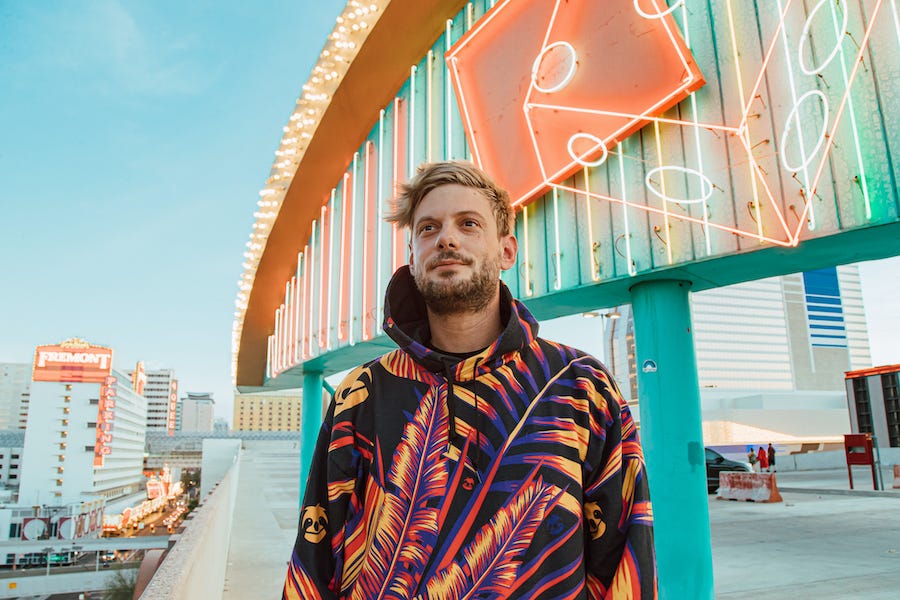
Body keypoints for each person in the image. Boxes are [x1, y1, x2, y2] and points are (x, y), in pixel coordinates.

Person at [283, 161, 656, 599]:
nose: (446, 238)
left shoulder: (580, 386)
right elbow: (316, 557)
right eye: (428, 228)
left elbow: (624, 556)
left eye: (469, 224)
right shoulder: (361, 394)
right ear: (413, 258)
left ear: (506, 251)